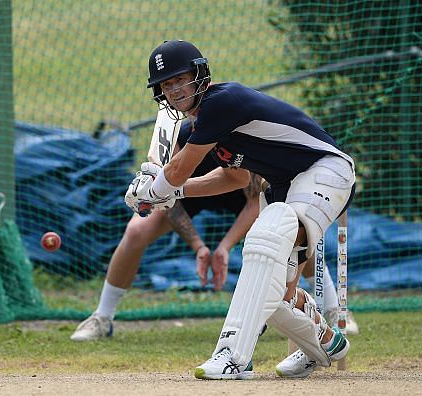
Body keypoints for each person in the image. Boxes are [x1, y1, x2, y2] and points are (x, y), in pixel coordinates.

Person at [125, 40, 357, 380]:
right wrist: (169, 192)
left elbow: (176, 171)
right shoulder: (204, 126)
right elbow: (234, 178)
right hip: (285, 186)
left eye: (181, 79)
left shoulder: (222, 101)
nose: (174, 90)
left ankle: (232, 356)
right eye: (167, 84)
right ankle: (322, 341)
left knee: (269, 231)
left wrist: (156, 190)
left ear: (200, 74)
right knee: (276, 291)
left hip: (325, 170)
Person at [70, 121, 262, 341]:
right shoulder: (174, 137)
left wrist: (224, 247)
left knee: (292, 234)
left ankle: (306, 309)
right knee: (136, 230)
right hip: (187, 191)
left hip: (241, 193)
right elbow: (162, 194)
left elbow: (255, 201)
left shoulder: (240, 133)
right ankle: (102, 317)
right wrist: (198, 246)